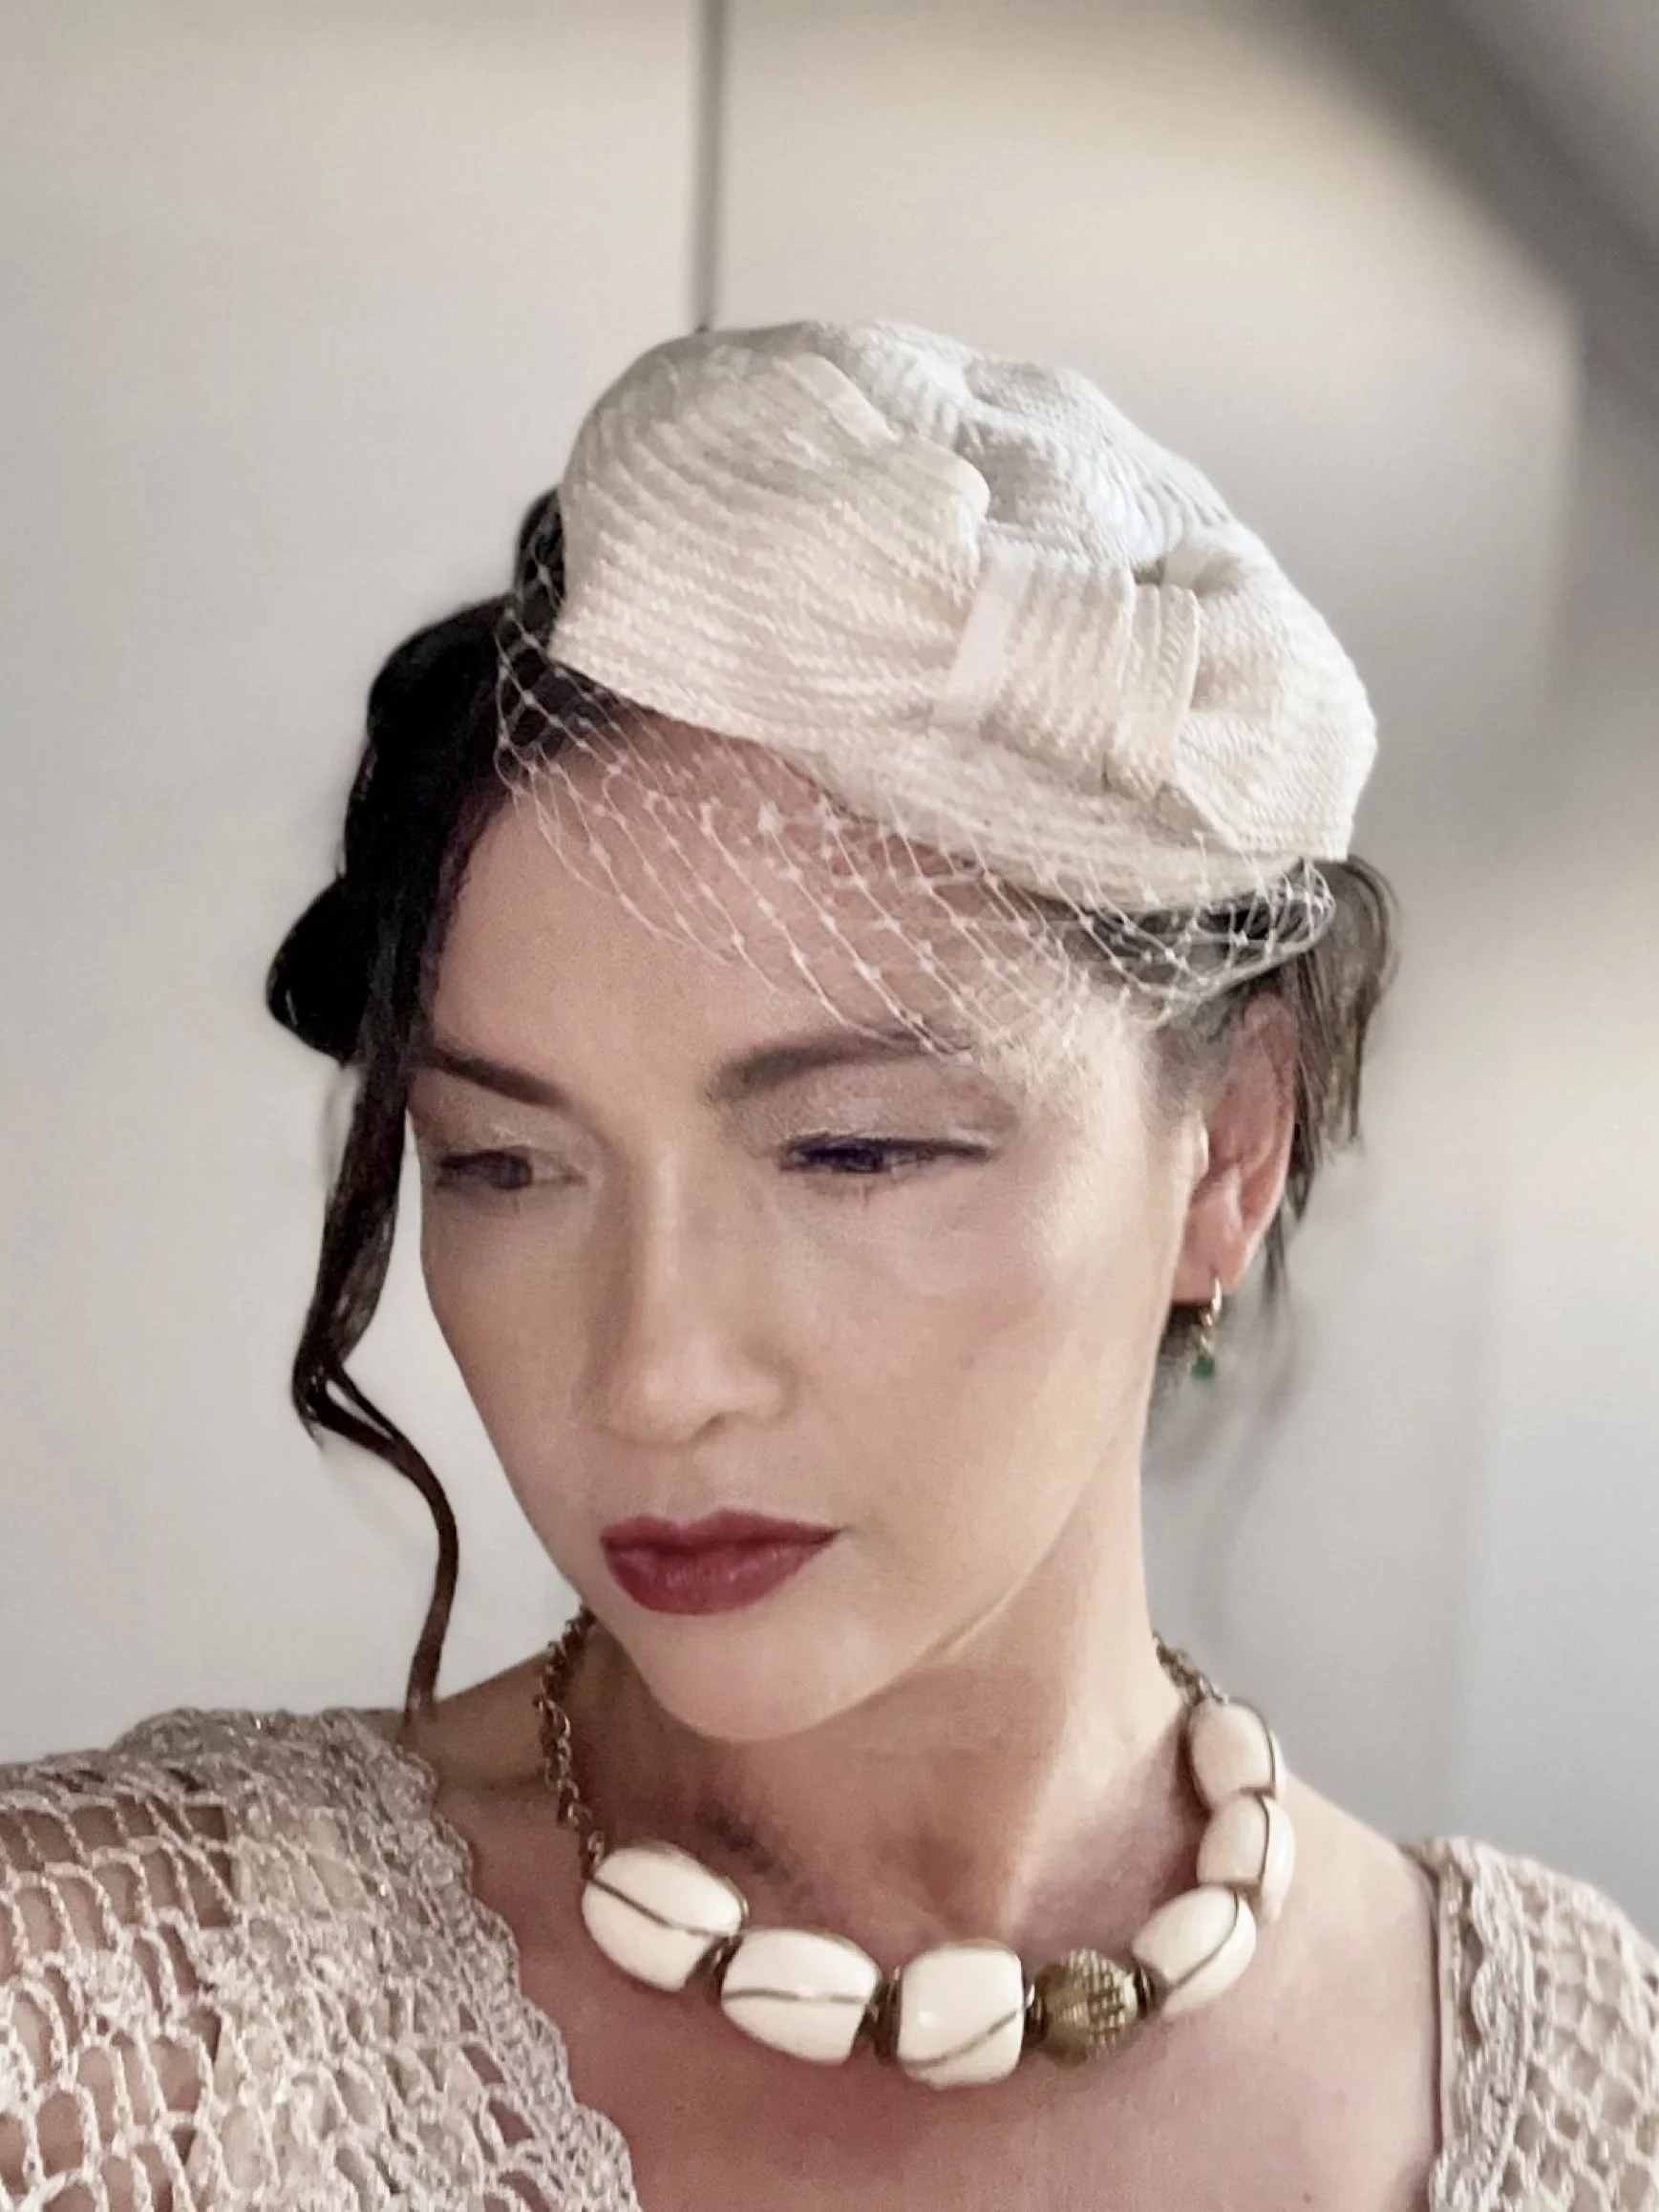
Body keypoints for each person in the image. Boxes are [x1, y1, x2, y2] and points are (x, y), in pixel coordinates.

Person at [1, 321, 1653, 2212]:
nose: (649, 1375)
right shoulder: (102, 2030)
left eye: (851, 1149)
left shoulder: (1584, 2098)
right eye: (506, 1164)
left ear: (1230, 1150)